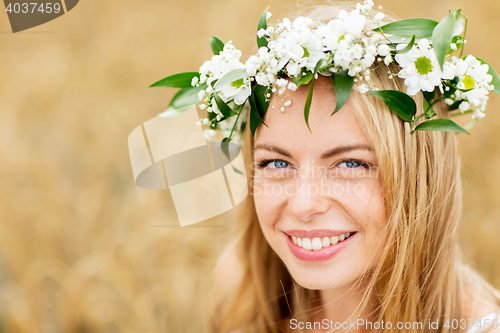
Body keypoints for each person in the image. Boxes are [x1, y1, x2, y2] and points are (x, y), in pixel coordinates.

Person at [147, 1, 500, 332]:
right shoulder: (243, 298)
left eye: (350, 163)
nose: (303, 205)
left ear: (421, 176)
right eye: (275, 162)